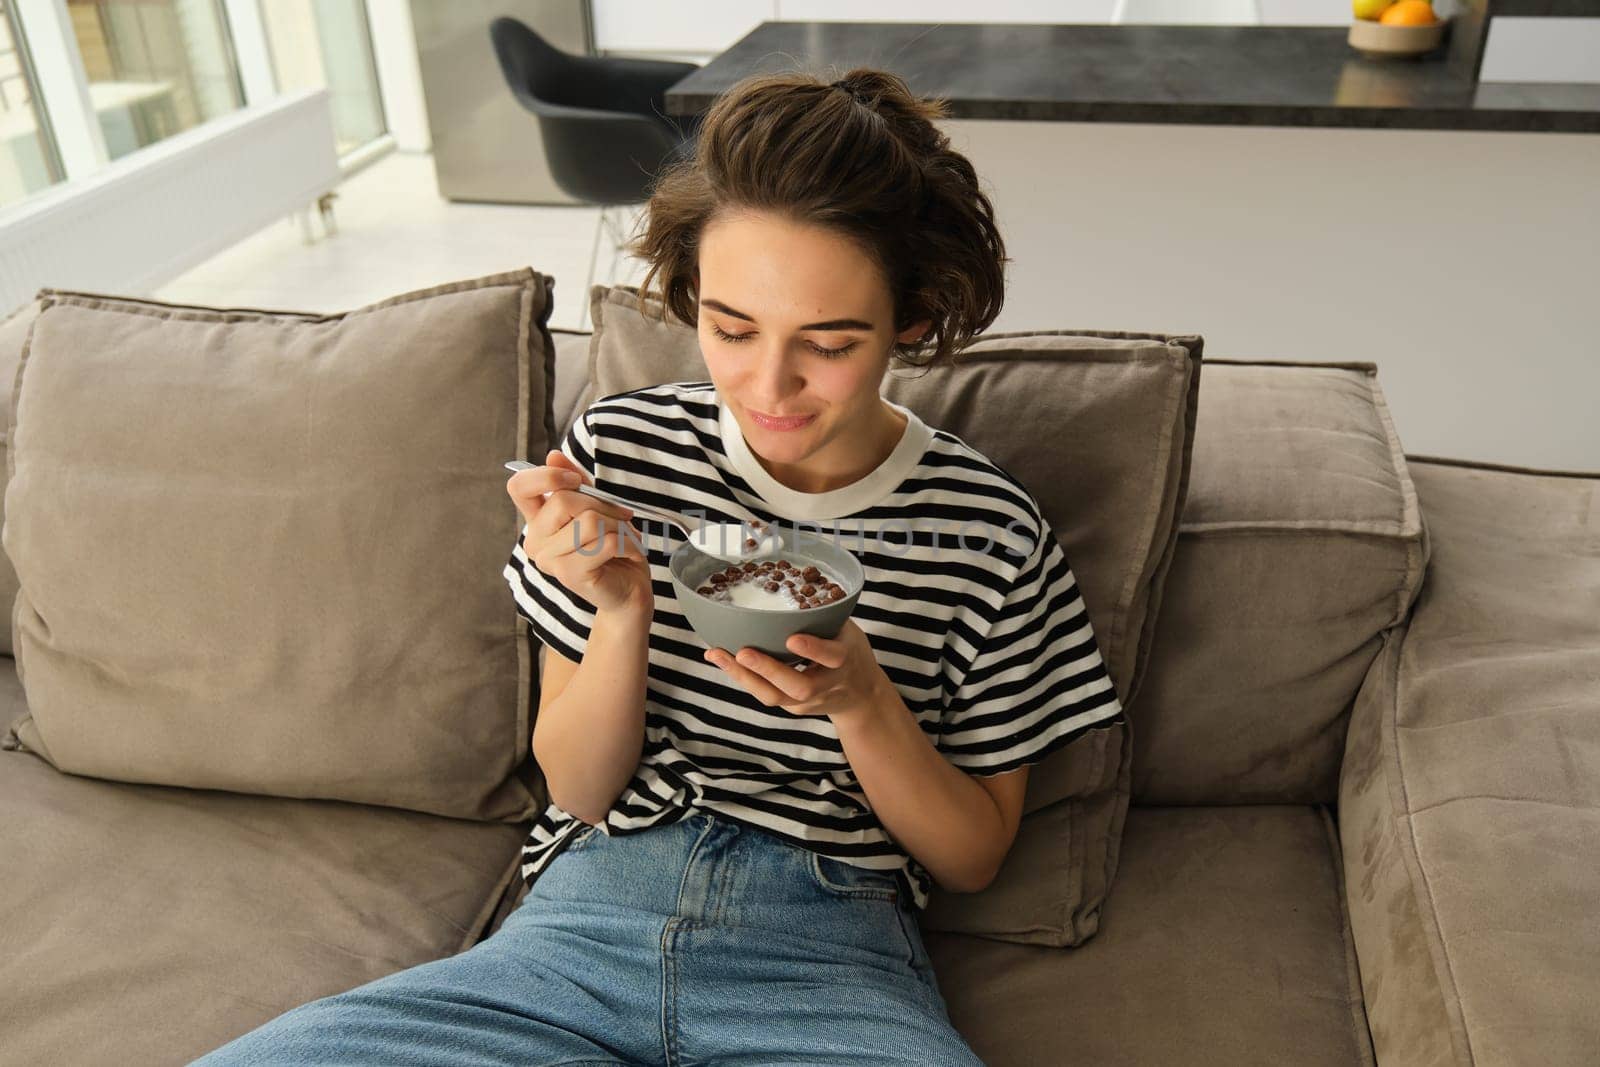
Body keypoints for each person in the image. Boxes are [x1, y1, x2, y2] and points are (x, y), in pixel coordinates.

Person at [196, 67, 1124, 1067]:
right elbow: (581, 788)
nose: (768, 384)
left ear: (912, 313)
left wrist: (862, 701)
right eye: (730, 328)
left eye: (829, 341)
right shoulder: (622, 453)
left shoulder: (987, 528)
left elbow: (973, 854)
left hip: (829, 959)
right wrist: (622, 607)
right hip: (582, 924)